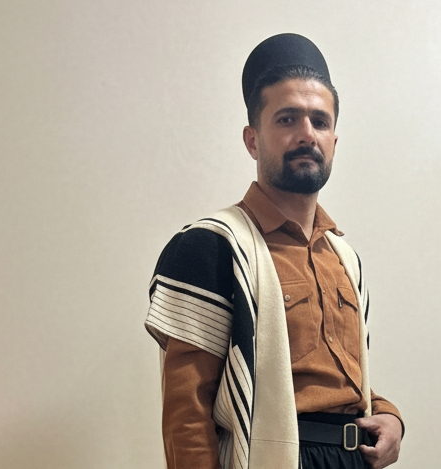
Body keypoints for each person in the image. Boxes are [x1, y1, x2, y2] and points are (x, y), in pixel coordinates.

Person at [145, 33, 403, 469]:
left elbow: (335, 384)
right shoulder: (211, 247)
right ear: (252, 140)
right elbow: (187, 415)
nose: (307, 134)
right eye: (287, 119)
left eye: (320, 122)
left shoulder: (343, 257)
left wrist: (389, 417)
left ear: (334, 142)